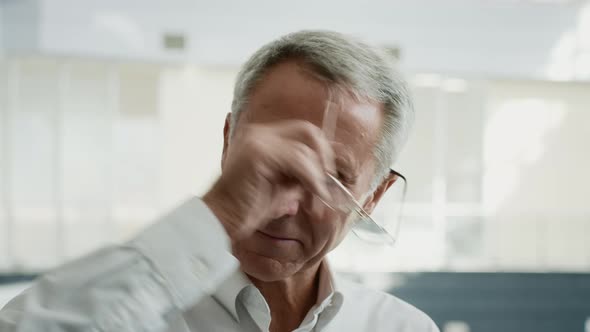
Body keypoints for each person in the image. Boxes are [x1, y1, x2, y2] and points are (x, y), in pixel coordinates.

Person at [0, 30, 439, 332]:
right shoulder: (131, 307)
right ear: (230, 139)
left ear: (374, 196)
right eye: (270, 157)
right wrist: (220, 213)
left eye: (332, 178)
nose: (284, 205)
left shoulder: (401, 327)